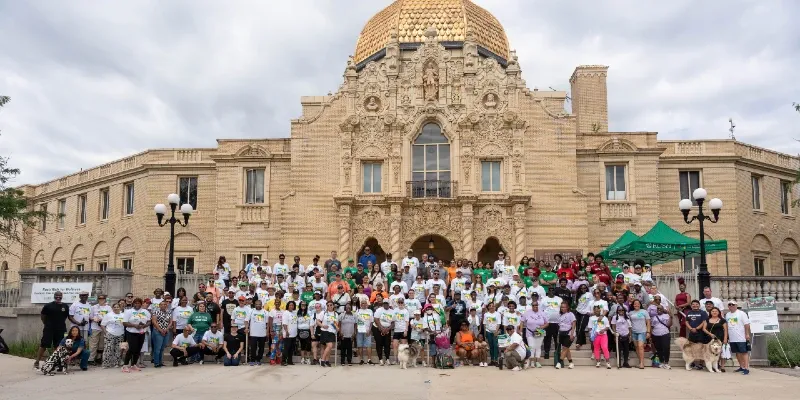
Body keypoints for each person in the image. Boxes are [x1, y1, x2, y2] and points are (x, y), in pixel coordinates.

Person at [35, 291, 68, 370]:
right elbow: (43, 316)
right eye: (56, 295)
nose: (58, 297)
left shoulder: (65, 306)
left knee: (58, 346)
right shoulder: (48, 306)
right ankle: (37, 361)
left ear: (62, 296)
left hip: (61, 329)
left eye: (60, 296)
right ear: (54, 296)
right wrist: (46, 324)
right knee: (44, 345)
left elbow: (67, 317)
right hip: (49, 329)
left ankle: (55, 362)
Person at [122, 297, 150, 372]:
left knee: (138, 349)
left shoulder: (145, 311)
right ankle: (125, 365)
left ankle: (133, 364)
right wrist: (134, 325)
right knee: (131, 349)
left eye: (139, 303)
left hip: (141, 332)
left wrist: (144, 326)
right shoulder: (129, 311)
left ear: (141, 304)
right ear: (133, 304)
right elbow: (124, 323)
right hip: (131, 332)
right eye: (135, 303)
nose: (137, 304)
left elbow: (149, 321)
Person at [725, 301, 751, 375]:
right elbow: (727, 325)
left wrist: (747, 334)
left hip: (741, 337)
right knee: (737, 353)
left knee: (744, 352)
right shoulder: (727, 314)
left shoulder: (741, 313)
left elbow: (747, 324)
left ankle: (746, 368)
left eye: (733, 304)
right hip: (732, 337)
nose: (731, 306)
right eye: (729, 305)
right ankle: (741, 367)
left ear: (736, 305)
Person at [522, 301, 548, 368]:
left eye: (536, 305)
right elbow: (522, 321)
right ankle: (532, 361)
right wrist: (520, 329)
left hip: (540, 331)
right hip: (530, 331)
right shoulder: (527, 313)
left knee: (538, 347)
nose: (535, 306)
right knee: (531, 346)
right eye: (533, 305)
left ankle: (537, 362)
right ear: (531, 306)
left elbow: (547, 323)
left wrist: (541, 327)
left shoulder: (542, 313)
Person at [100, 303, 126, 369]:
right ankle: (106, 363)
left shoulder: (123, 315)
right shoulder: (108, 315)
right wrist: (106, 332)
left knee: (118, 350)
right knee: (108, 349)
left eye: (118, 307)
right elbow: (102, 325)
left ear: (120, 308)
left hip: (120, 334)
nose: (116, 308)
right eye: (115, 307)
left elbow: (126, 324)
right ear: (112, 308)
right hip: (110, 334)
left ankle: (116, 363)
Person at [88, 294, 111, 365]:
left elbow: (110, 317)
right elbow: (90, 317)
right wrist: (94, 319)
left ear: (105, 299)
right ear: (98, 299)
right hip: (95, 327)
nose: (101, 300)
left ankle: (99, 358)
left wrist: (103, 319)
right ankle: (91, 359)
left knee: (102, 344)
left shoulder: (108, 308)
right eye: (100, 298)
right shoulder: (94, 307)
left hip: (104, 327)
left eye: (103, 298)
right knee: (93, 344)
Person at [540, 288, 563, 359]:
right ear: (548, 292)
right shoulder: (544, 299)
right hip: (547, 323)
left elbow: (562, 309)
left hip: (557, 323)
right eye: (550, 290)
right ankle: (546, 353)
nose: (552, 291)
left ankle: (558, 353)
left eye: (553, 290)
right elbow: (541, 310)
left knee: (557, 339)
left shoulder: (559, 299)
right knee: (547, 338)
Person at [628, 299, 650, 369]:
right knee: (637, 347)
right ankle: (640, 361)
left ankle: (642, 363)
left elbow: (648, 322)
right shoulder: (630, 313)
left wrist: (648, 332)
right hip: (634, 332)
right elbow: (629, 324)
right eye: (635, 304)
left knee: (640, 346)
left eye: (638, 303)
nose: (636, 305)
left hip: (642, 331)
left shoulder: (644, 312)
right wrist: (630, 334)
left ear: (640, 304)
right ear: (633, 305)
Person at [150, 300, 172, 368]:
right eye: (162, 304)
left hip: (166, 332)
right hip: (157, 332)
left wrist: (166, 329)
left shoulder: (169, 312)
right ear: (159, 306)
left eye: (165, 304)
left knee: (162, 348)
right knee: (157, 348)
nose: (163, 306)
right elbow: (154, 322)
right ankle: (156, 363)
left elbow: (170, 322)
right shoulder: (155, 312)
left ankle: (160, 362)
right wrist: (160, 330)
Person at [588, 304, 611, 369]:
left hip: (603, 335)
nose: (596, 311)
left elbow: (607, 326)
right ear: (593, 311)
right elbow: (590, 327)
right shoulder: (591, 318)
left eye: (597, 310)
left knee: (604, 347)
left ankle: (608, 362)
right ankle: (598, 362)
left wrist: (603, 330)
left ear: (600, 310)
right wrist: (590, 335)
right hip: (595, 335)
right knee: (596, 348)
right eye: (595, 310)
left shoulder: (604, 318)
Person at [246, 299, 268, 365]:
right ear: (254, 305)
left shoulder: (265, 312)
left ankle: (259, 359)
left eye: (259, 304)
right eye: (256, 304)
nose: (258, 305)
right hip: (253, 333)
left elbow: (267, 323)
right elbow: (246, 320)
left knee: (261, 348)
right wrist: (247, 328)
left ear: (262, 305)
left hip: (262, 333)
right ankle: (252, 360)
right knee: (253, 347)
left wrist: (267, 332)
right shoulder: (251, 311)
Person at [317, 302, 339, 367]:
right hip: (325, 331)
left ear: (333, 306)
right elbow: (317, 321)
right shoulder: (323, 313)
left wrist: (337, 328)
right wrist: (322, 326)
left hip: (332, 332)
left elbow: (335, 323)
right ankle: (322, 360)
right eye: (328, 305)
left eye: (331, 305)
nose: (329, 306)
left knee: (329, 347)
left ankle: (327, 361)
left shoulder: (336, 314)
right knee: (329, 345)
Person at [556, 302, 576, 369]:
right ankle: (571, 363)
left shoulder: (571, 314)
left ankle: (559, 362)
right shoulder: (560, 315)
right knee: (566, 348)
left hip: (569, 333)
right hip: (562, 333)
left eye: (564, 307)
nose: (563, 308)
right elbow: (559, 326)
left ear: (567, 307)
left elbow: (573, 324)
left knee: (565, 348)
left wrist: (572, 334)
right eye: (561, 307)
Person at [373, 298, 394, 366]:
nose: (385, 305)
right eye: (384, 303)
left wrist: (388, 329)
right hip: (378, 328)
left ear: (389, 304)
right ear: (383, 304)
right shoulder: (379, 310)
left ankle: (387, 359)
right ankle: (380, 359)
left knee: (387, 344)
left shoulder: (392, 311)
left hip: (387, 329)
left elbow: (393, 322)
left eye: (387, 303)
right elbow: (376, 319)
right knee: (379, 344)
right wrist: (381, 328)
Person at [355, 300, 374, 365]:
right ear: (360, 304)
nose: (363, 304)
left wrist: (370, 330)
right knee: (360, 345)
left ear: (367, 304)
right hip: (359, 330)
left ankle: (369, 360)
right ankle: (361, 360)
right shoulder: (358, 311)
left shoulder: (370, 311)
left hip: (367, 330)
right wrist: (355, 330)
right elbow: (355, 322)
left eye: (365, 303)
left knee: (368, 345)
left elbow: (371, 322)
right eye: (362, 303)